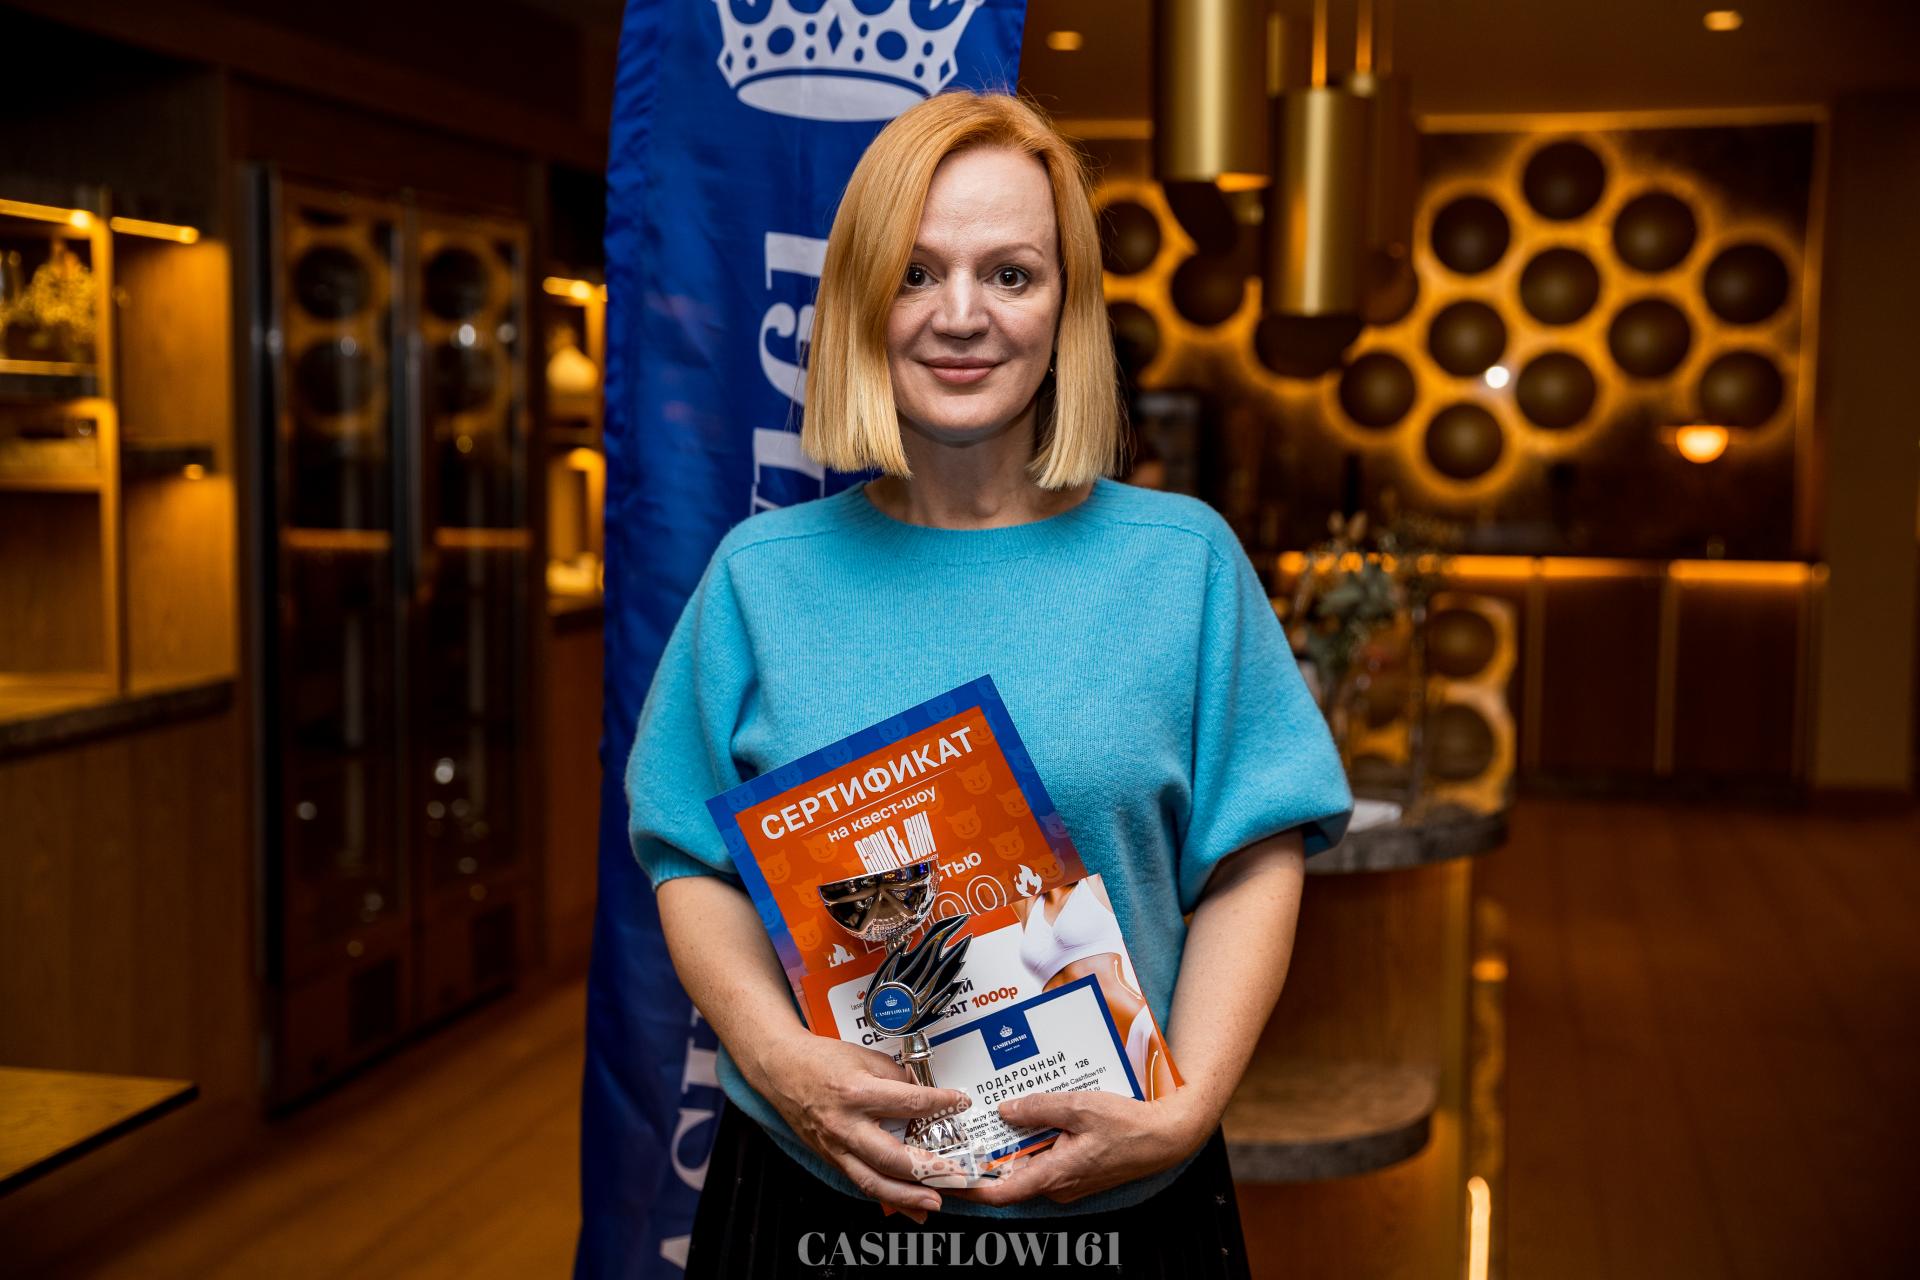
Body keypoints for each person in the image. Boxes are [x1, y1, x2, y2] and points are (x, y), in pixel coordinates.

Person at [626, 90, 1353, 1278]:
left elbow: (1256, 855)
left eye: (1011, 274)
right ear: (861, 299)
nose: (960, 316)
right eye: (915, 272)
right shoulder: (760, 577)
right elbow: (689, 861)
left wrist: (1187, 1106)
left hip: (1121, 1203)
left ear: (1067, 306)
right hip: (820, 1199)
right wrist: (776, 1059)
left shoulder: (1183, 564)